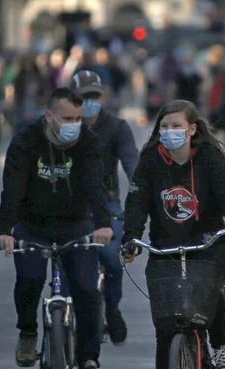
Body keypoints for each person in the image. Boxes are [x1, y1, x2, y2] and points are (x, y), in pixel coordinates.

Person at [120, 99, 225, 369]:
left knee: (213, 286)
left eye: (177, 127)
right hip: (164, 249)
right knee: (166, 334)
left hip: (207, 245)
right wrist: (131, 239)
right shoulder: (151, 161)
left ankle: (220, 341)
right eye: (164, 127)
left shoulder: (209, 158)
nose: (169, 133)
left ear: (192, 129)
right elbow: (136, 203)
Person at [0, 87, 113, 369]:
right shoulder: (25, 141)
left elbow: (95, 185)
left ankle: (88, 363)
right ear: (49, 116)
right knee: (30, 278)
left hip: (76, 224)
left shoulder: (87, 141)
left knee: (86, 289)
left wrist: (103, 224)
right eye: (67, 118)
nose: (74, 123)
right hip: (32, 224)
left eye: (78, 117)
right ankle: (28, 332)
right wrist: (4, 230)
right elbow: (13, 188)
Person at [70, 70, 138, 345]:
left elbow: (132, 164)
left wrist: (139, 195)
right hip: (68, 205)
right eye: (83, 97)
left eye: (93, 96)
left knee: (112, 257)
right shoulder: (61, 124)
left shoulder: (117, 127)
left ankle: (112, 307)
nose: (89, 101)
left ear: (102, 97)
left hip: (107, 205)